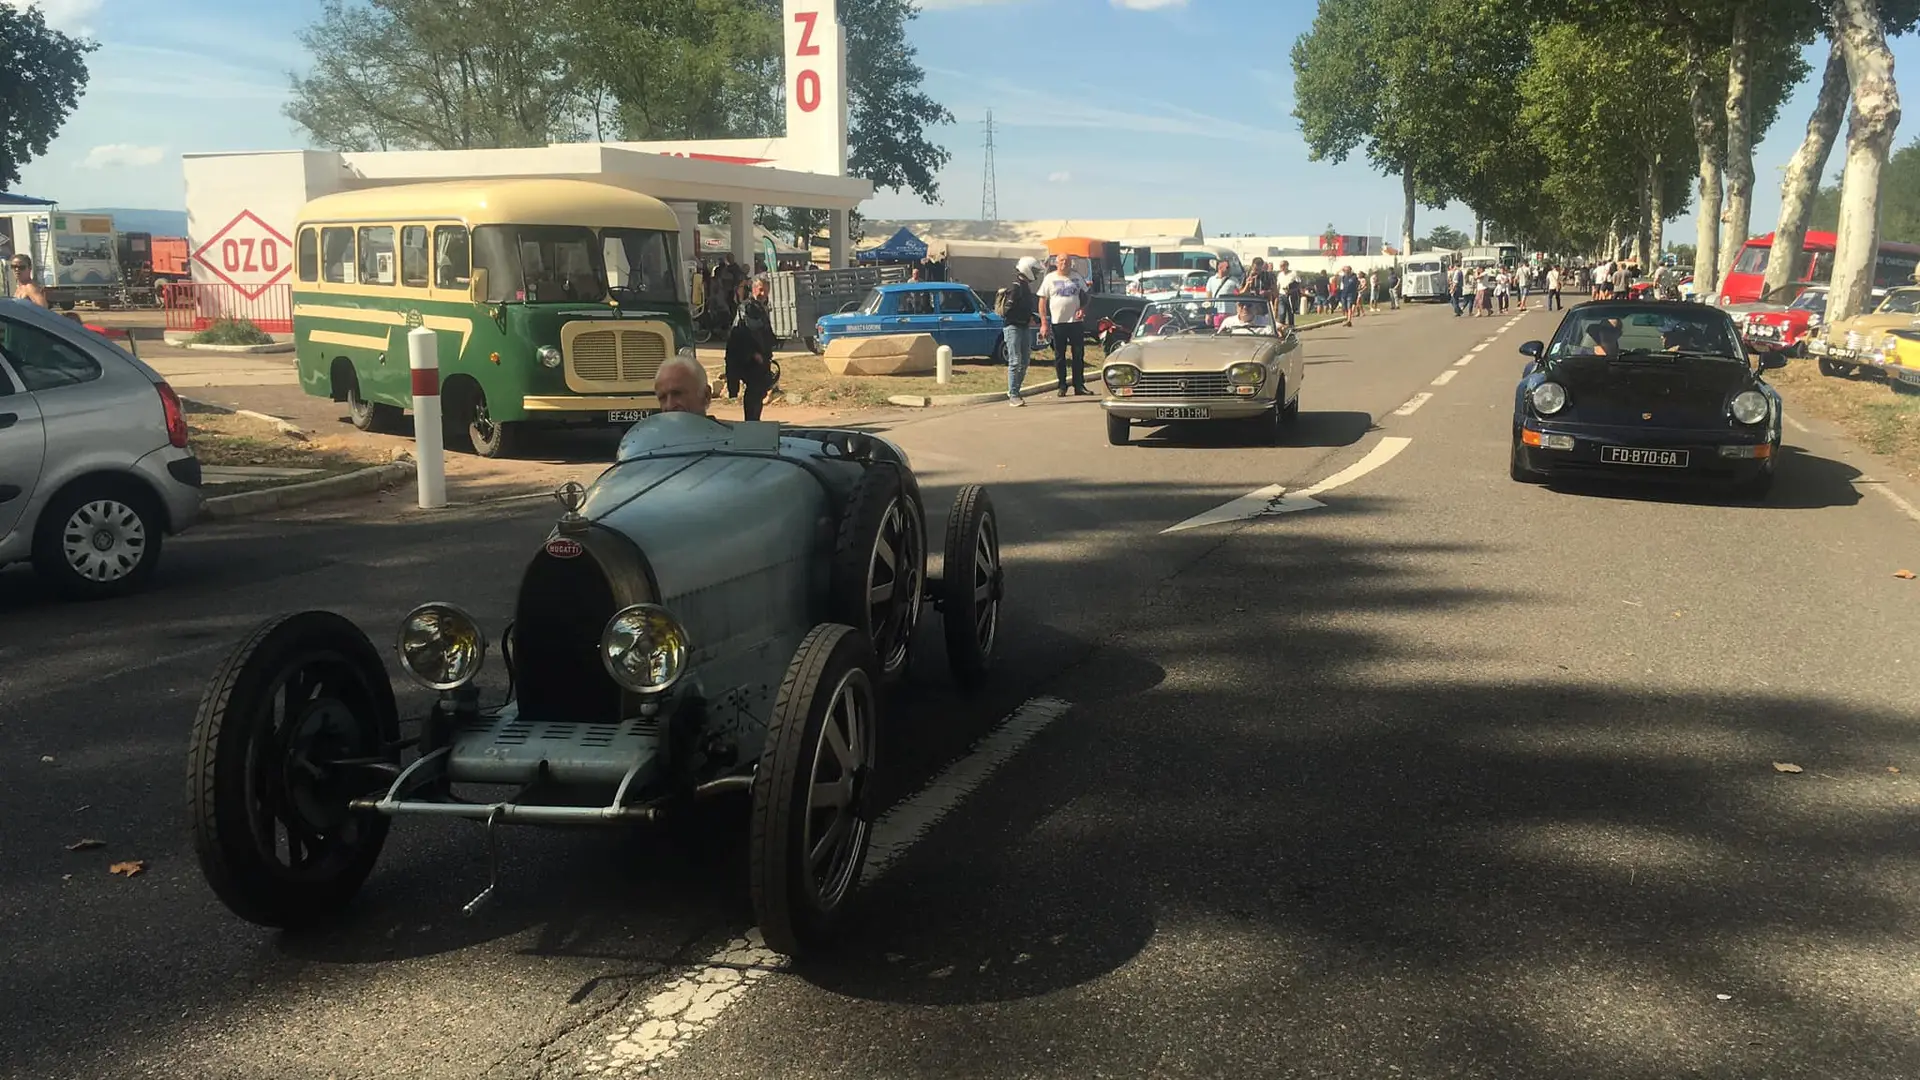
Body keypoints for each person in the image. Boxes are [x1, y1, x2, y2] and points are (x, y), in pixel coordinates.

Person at [1039, 254, 1094, 396]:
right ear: (1057, 263)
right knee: (1060, 355)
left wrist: (1082, 309)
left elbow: (1087, 296)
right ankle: (1062, 386)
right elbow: (1042, 301)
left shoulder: (1076, 277)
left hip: (1075, 322)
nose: (1065, 263)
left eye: (1067, 261)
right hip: (1058, 323)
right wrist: (1044, 322)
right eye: (1062, 261)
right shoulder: (1050, 278)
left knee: (1078, 354)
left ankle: (1079, 385)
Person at [725, 277, 778, 422]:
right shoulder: (747, 307)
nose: (763, 293)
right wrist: (754, 353)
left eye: (766, 290)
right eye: (760, 290)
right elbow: (746, 333)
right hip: (748, 358)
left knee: (759, 390)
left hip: (760, 358)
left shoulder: (760, 307)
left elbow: (764, 332)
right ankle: (751, 422)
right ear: (754, 289)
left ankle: (754, 421)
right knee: (754, 390)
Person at [997, 261, 1039, 407]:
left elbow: (1025, 307)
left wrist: (1031, 316)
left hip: (1024, 326)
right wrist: (1023, 315)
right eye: (1035, 270)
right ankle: (1013, 394)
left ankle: (1015, 391)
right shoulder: (1015, 287)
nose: (1037, 273)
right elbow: (1008, 310)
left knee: (1025, 361)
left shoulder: (1025, 286)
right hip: (1013, 327)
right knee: (1015, 361)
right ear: (1027, 269)